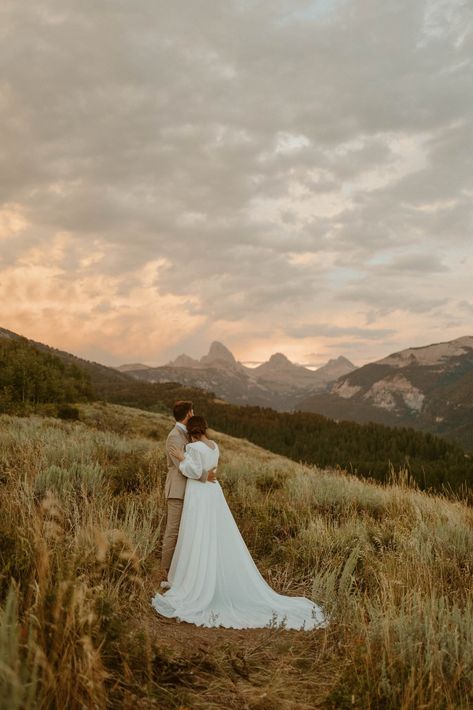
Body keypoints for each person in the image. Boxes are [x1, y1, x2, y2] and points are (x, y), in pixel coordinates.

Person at [152, 415, 327, 630]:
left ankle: (195, 578)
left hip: (198, 494)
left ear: (192, 432)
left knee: (197, 533)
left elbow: (193, 471)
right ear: (205, 429)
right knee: (213, 532)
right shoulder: (215, 446)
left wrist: (182, 458)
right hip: (213, 493)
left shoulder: (193, 448)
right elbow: (209, 470)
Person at [160, 401, 217, 587]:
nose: (194, 413)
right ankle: (165, 572)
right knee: (173, 531)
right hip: (178, 490)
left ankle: (183, 573)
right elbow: (182, 467)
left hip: (193, 492)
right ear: (188, 414)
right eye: (192, 411)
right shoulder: (174, 437)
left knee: (189, 533)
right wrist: (205, 475)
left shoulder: (189, 434)